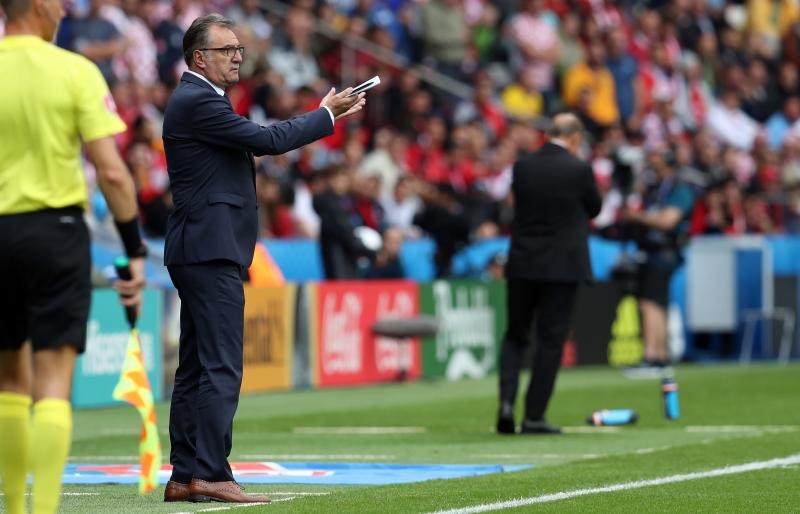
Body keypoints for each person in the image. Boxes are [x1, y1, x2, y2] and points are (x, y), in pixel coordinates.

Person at [161, 13, 365, 504]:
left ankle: (186, 473)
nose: (237, 57)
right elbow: (268, 141)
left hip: (201, 247)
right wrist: (327, 115)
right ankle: (210, 472)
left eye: (239, 50)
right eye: (227, 49)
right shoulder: (197, 100)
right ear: (198, 58)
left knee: (196, 366)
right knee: (221, 366)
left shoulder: (202, 100)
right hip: (209, 249)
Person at [0, 1, 147, 513]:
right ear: (39, 6)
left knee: (10, 383)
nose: (64, 9)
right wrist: (134, 251)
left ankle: (14, 510)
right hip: (55, 229)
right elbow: (111, 172)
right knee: (53, 382)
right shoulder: (74, 70)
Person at [497, 113, 601, 435]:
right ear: (573, 137)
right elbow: (594, 208)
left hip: (524, 262)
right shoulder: (579, 168)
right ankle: (533, 416)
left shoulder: (523, 166)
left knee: (515, 335)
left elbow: (517, 205)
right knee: (550, 341)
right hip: (562, 266)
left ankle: (506, 405)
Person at [622, 146, 695, 373]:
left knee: (649, 303)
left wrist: (638, 217)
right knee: (657, 303)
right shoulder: (654, 187)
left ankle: (652, 355)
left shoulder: (678, 189)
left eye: (656, 158)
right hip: (654, 250)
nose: (652, 163)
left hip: (663, 251)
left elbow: (667, 221)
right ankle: (660, 357)